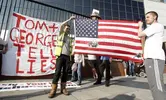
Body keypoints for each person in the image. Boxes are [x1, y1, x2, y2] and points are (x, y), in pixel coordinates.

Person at [138, 11, 166, 100]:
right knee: (153, 84)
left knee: (157, 85)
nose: (146, 19)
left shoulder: (157, 26)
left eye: (148, 17)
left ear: (155, 17)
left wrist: (140, 26)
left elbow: (140, 34)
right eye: (146, 17)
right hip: (150, 58)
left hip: (155, 58)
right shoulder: (151, 29)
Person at [48, 16, 75, 98]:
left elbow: (72, 46)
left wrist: (73, 50)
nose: (67, 30)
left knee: (65, 73)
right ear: (64, 29)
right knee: (57, 72)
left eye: (69, 29)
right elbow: (60, 25)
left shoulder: (70, 38)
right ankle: (53, 89)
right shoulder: (60, 34)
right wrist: (70, 20)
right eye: (66, 28)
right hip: (60, 56)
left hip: (67, 57)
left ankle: (63, 88)